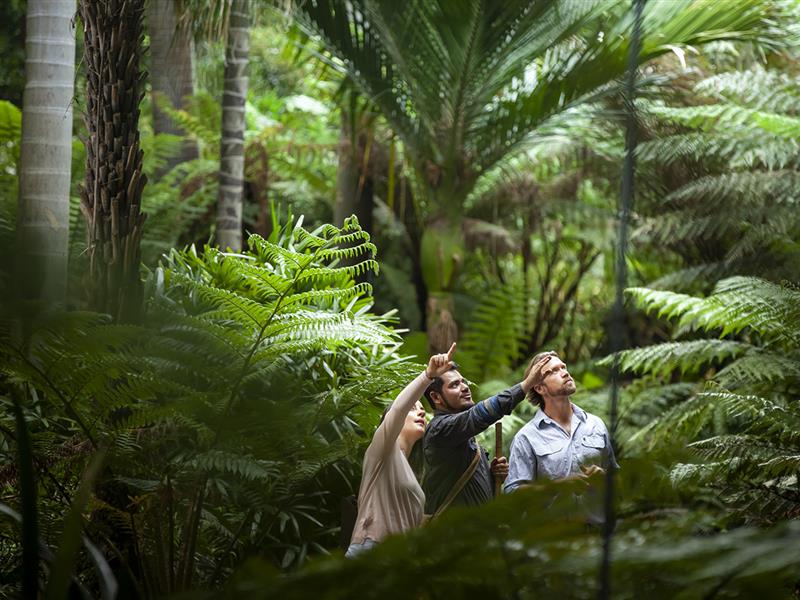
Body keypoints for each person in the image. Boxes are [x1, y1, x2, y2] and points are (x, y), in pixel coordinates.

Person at [346, 344, 457, 558]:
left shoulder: (410, 468)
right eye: (413, 408)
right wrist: (427, 376)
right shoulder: (382, 450)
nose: (421, 412)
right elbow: (398, 408)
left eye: (422, 409)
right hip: (371, 549)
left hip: (395, 561)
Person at [421, 344, 538, 516]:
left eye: (464, 382)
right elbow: (480, 415)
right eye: (454, 385)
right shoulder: (440, 429)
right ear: (436, 397)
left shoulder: (463, 434)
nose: (465, 387)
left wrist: (492, 476)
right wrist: (526, 385)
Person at [505, 351, 618, 494]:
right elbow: (513, 493)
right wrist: (557, 487)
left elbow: (620, 481)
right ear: (539, 388)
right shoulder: (526, 437)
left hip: (597, 516)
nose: (564, 373)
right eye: (552, 372)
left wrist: (605, 477)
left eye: (563, 367)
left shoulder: (596, 424)